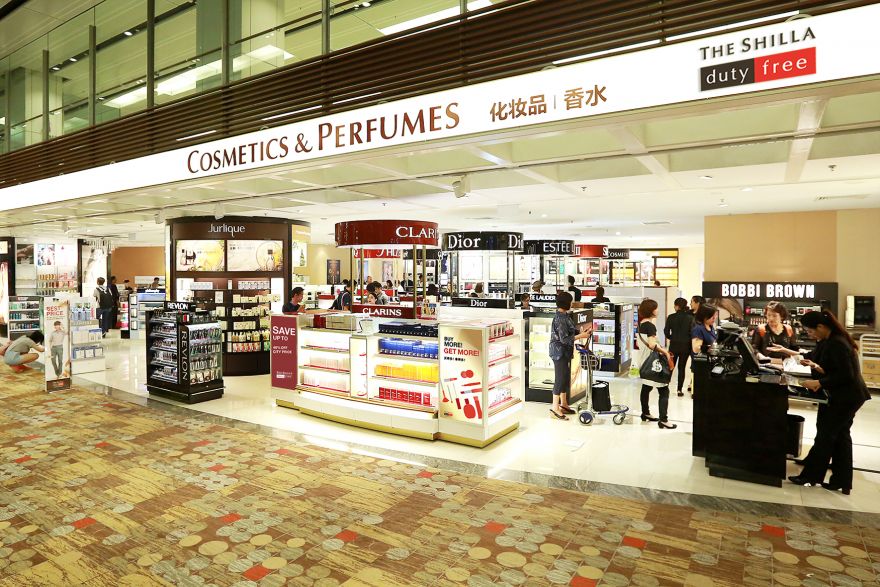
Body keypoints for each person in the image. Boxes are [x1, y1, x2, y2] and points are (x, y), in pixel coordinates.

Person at [783, 311, 871, 494]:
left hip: (846, 397)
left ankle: (810, 476)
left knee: (826, 436)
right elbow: (823, 362)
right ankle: (841, 481)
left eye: (810, 331)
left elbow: (846, 375)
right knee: (840, 437)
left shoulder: (837, 343)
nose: (809, 335)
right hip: (848, 396)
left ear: (821, 327)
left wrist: (819, 382)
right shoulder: (830, 340)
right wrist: (812, 366)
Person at [549, 292, 591, 420]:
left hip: (565, 352)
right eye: (570, 301)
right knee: (560, 378)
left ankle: (564, 404)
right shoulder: (560, 319)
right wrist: (581, 336)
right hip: (559, 352)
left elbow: (570, 331)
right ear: (565, 303)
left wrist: (581, 331)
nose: (572, 303)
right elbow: (564, 339)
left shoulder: (565, 316)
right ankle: (555, 408)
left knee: (565, 377)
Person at [637, 299, 676, 429]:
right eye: (656, 308)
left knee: (646, 387)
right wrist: (665, 352)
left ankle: (645, 413)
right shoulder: (650, 326)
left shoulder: (641, 324)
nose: (658, 310)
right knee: (664, 389)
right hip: (653, 363)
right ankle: (663, 420)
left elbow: (639, 343)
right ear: (651, 310)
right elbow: (652, 344)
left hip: (644, 361)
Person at [664, 297, 694, 397]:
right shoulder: (690, 318)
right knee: (682, 368)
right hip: (686, 346)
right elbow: (692, 332)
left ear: (677, 306)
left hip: (674, 345)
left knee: (670, 367)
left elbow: (666, 331)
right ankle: (679, 390)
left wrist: (672, 337)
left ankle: (665, 387)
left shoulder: (671, 317)